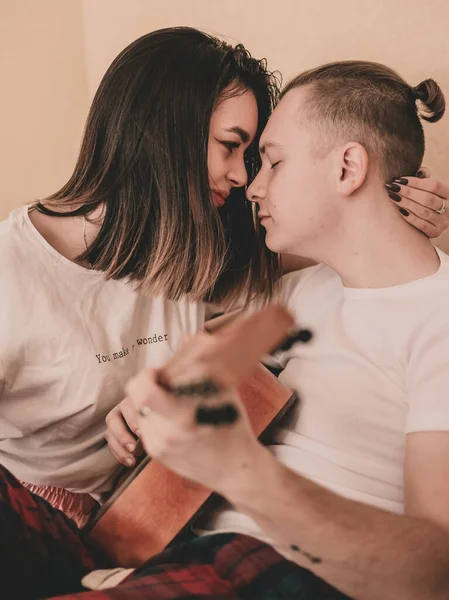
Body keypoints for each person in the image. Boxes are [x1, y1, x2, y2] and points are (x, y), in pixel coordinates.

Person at [2, 59, 449, 600]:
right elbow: (203, 369)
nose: (249, 184)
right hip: (143, 546)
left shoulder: (430, 318)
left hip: (247, 564)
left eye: (270, 161)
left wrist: (239, 467)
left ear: (347, 168)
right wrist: (159, 397)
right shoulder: (292, 292)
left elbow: (433, 574)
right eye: (235, 150)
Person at [0, 26, 280, 526]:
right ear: (164, 134)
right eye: (229, 146)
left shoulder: (196, 248)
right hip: (37, 525)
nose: (241, 176)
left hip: (151, 519)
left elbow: (330, 251)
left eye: (249, 155)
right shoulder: (12, 272)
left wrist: (397, 214)